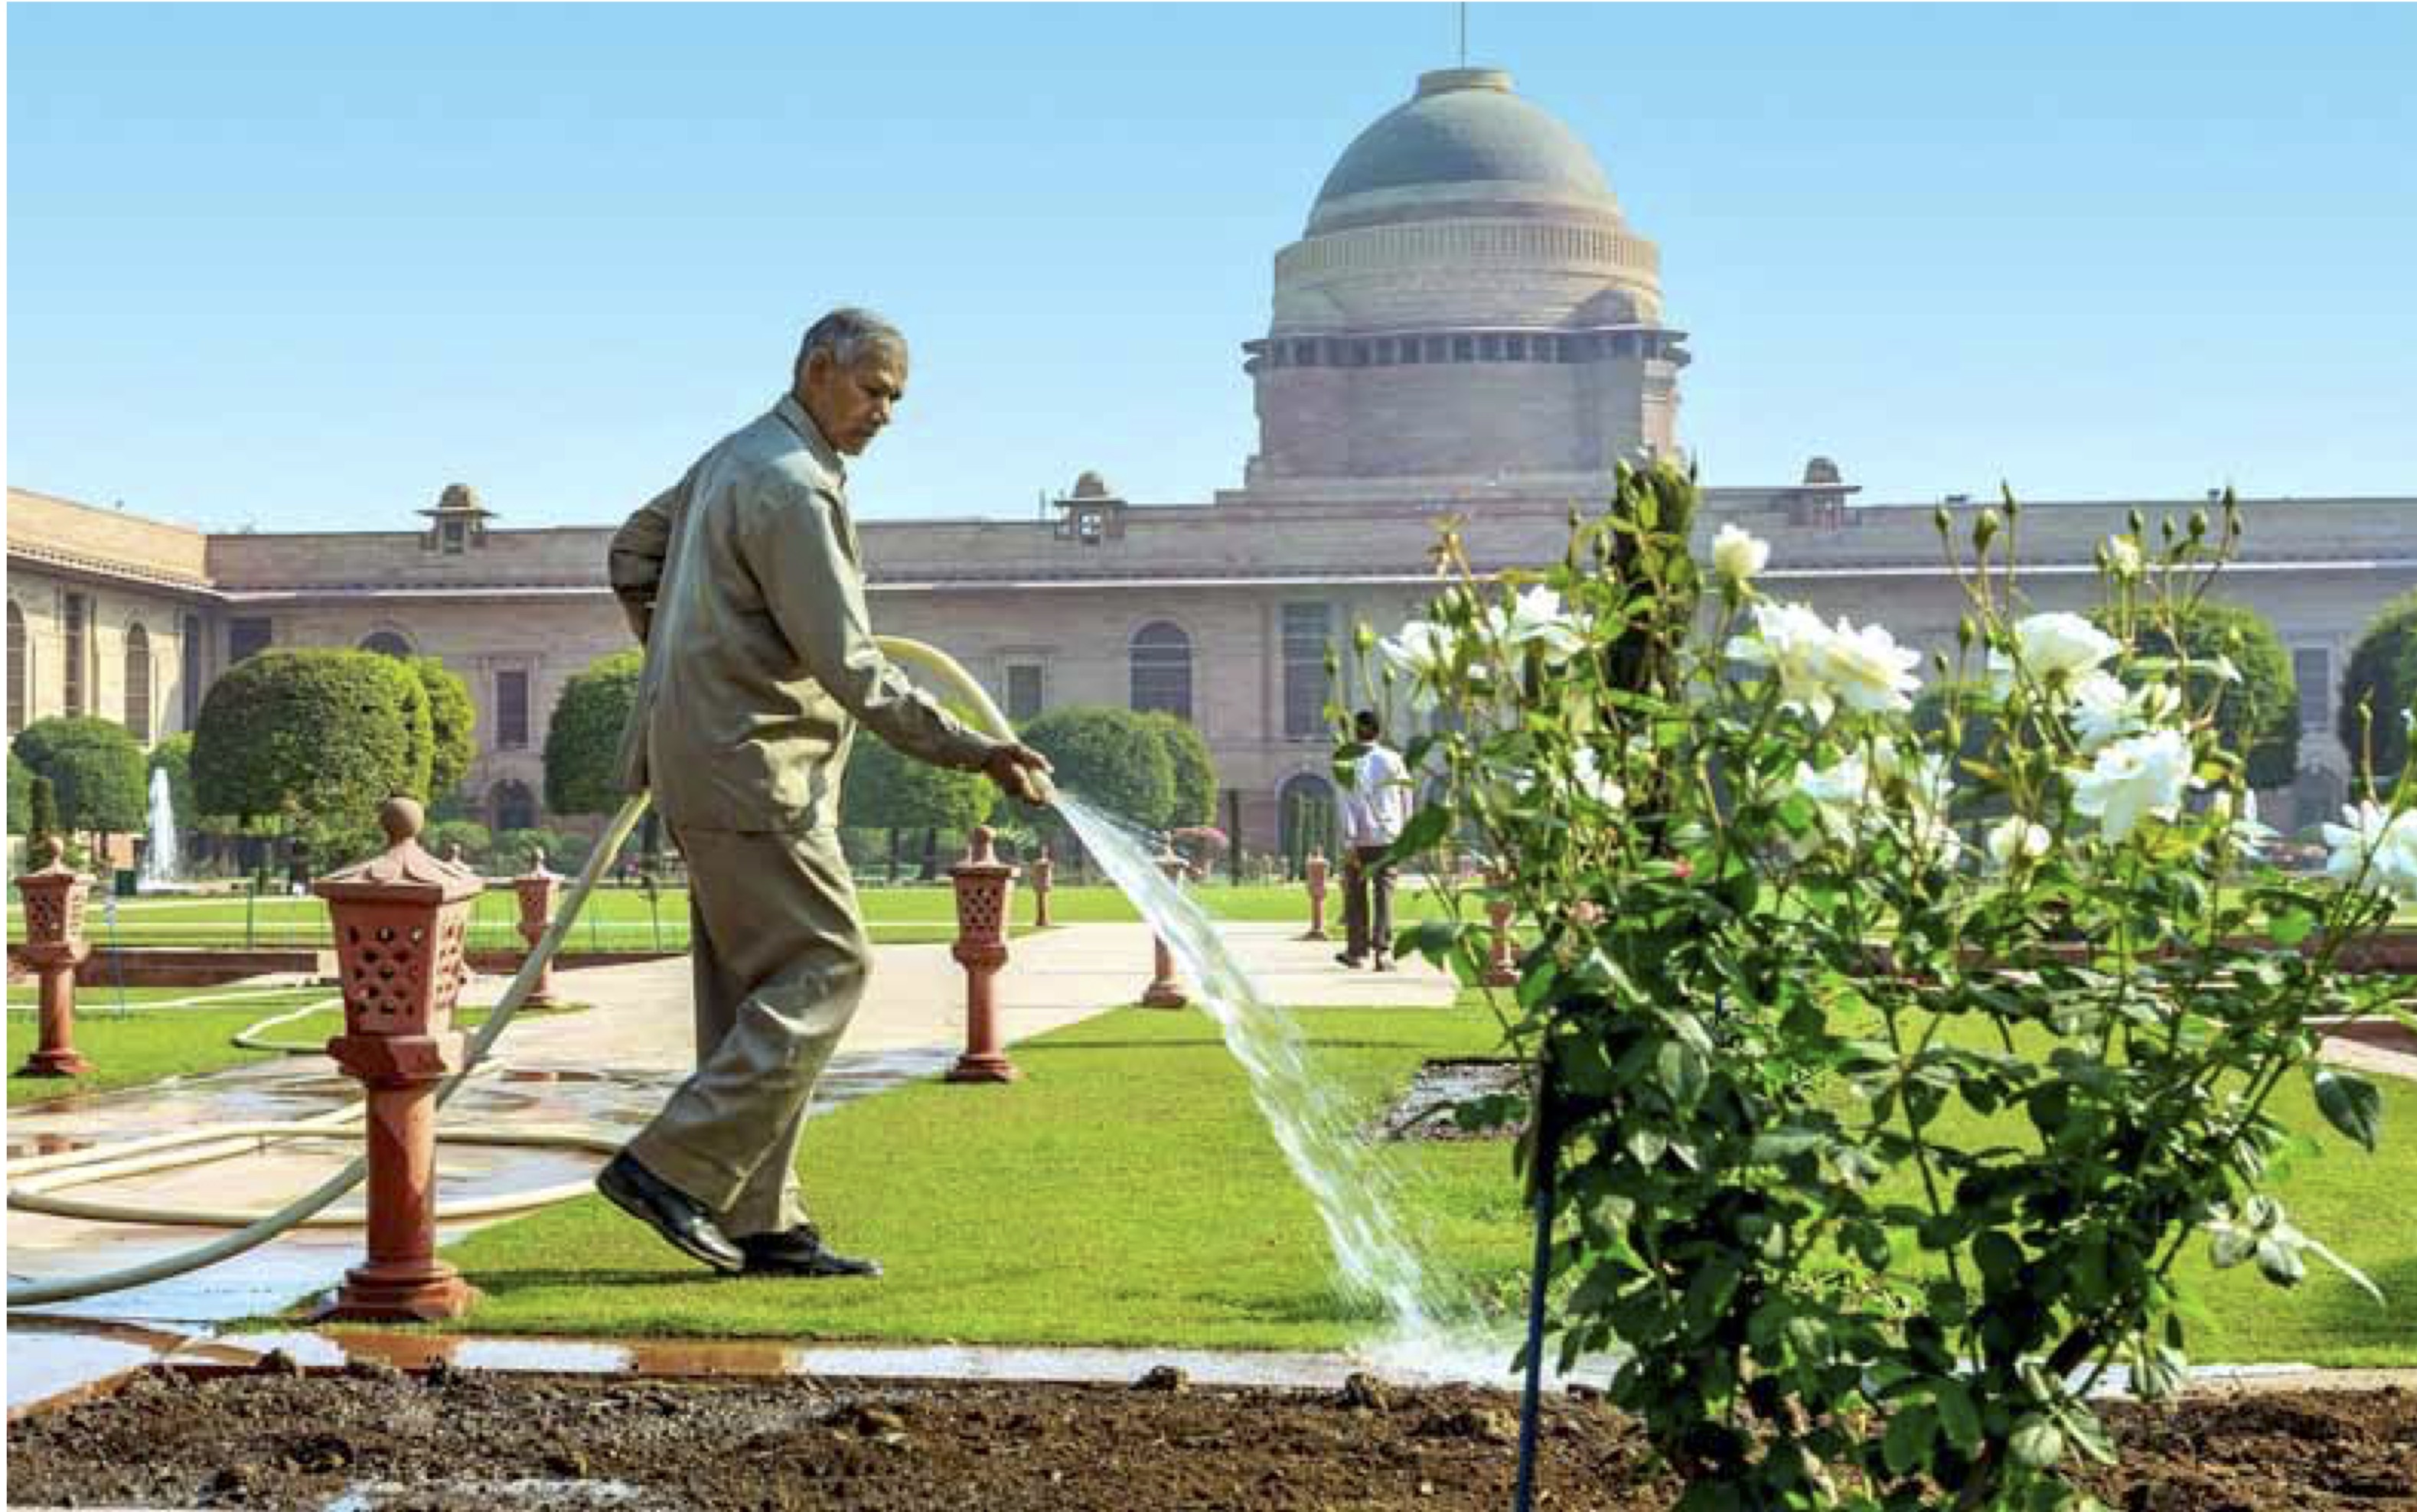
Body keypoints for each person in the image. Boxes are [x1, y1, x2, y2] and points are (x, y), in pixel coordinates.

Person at [596, 308, 1052, 1278]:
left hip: (708, 757)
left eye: (895, 397)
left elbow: (631, 554)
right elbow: (851, 666)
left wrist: (692, 655)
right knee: (831, 960)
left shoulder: (734, 458)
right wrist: (979, 749)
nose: (885, 412)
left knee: (756, 990)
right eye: (872, 389)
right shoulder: (791, 487)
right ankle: (667, 1166)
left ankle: (764, 1218)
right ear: (815, 370)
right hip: (755, 766)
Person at [1335, 709, 1411, 971]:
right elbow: (1406, 798)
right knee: (1384, 895)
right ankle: (1382, 953)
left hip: (1360, 837)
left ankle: (1356, 952)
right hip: (1389, 836)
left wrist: (1349, 841)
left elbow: (1345, 802)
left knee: (1356, 895)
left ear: (1356, 730)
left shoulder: (1346, 761)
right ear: (1380, 731)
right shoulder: (1393, 759)